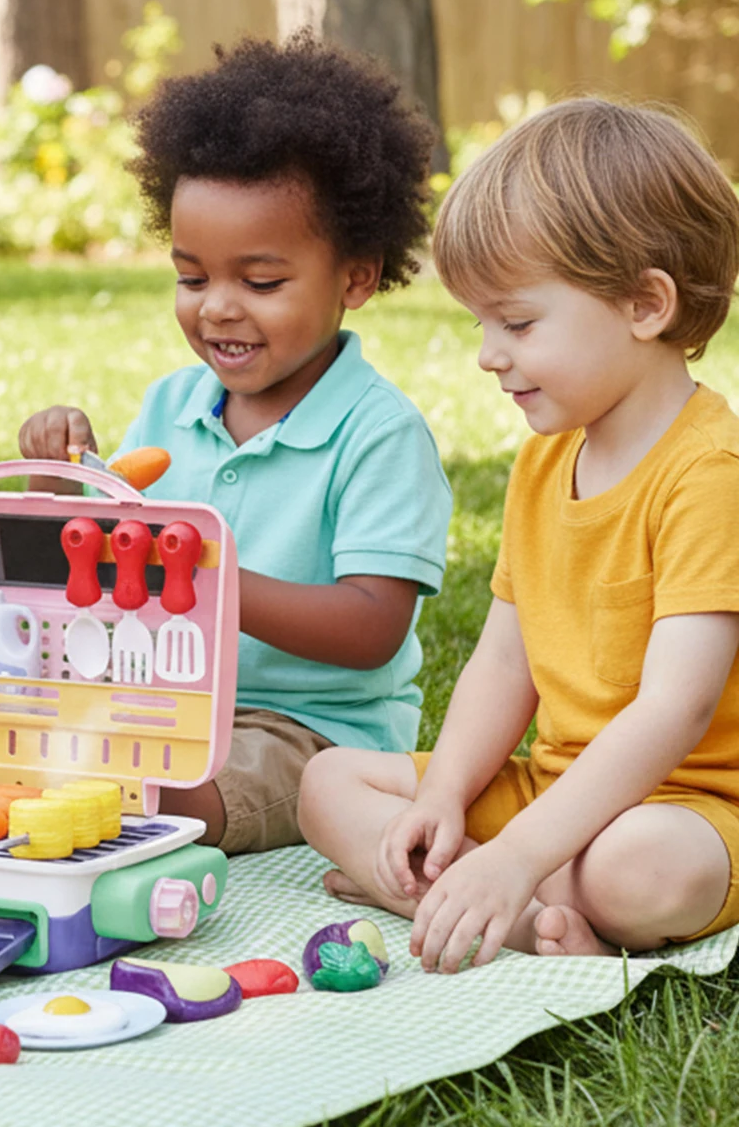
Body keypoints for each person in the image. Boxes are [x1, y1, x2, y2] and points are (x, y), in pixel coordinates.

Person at [300, 99, 739, 969]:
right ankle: (491, 897)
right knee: (328, 782)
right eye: (481, 325)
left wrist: (520, 854)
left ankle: (466, 892)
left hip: (684, 806)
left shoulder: (710, 473)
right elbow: (504, 663)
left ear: (646, 305)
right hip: (551, 787)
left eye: (520, 323)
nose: (488, 355)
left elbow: (674, 709)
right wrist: (450, 796)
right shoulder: (544, 464)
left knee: (638, 873)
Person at [19, 35, 452, 855]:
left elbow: (371, 629)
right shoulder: (172, 405)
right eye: (191, 277)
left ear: (356, 277)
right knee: (21, 741)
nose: (217, 308)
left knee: (165, 799)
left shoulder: (378, 434)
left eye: (260, 283)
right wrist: (65, 488)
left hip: (311, 734)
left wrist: (205, 574)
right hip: (166, 700)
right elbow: (113, 569)